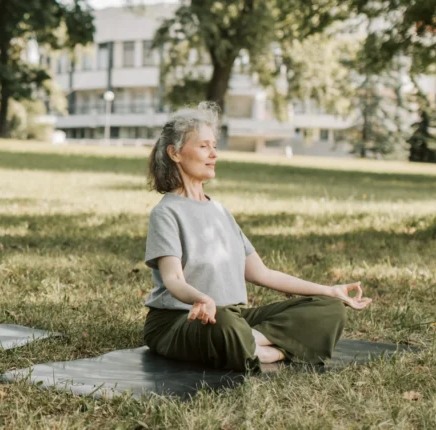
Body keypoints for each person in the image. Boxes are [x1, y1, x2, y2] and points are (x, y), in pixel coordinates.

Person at [141, 102, 372, 372]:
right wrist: (201, 299)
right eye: (204, 146)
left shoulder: (219, 211)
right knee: (224, 324)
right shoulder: (166, 212)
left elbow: (263, 273)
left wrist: (328, 290)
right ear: (175, 153)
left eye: (215, 146)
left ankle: (252, 347)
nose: (214, 154)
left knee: (330, 309)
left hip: (233, 318)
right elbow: (173, 280)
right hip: (181, 321)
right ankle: (274, 349)